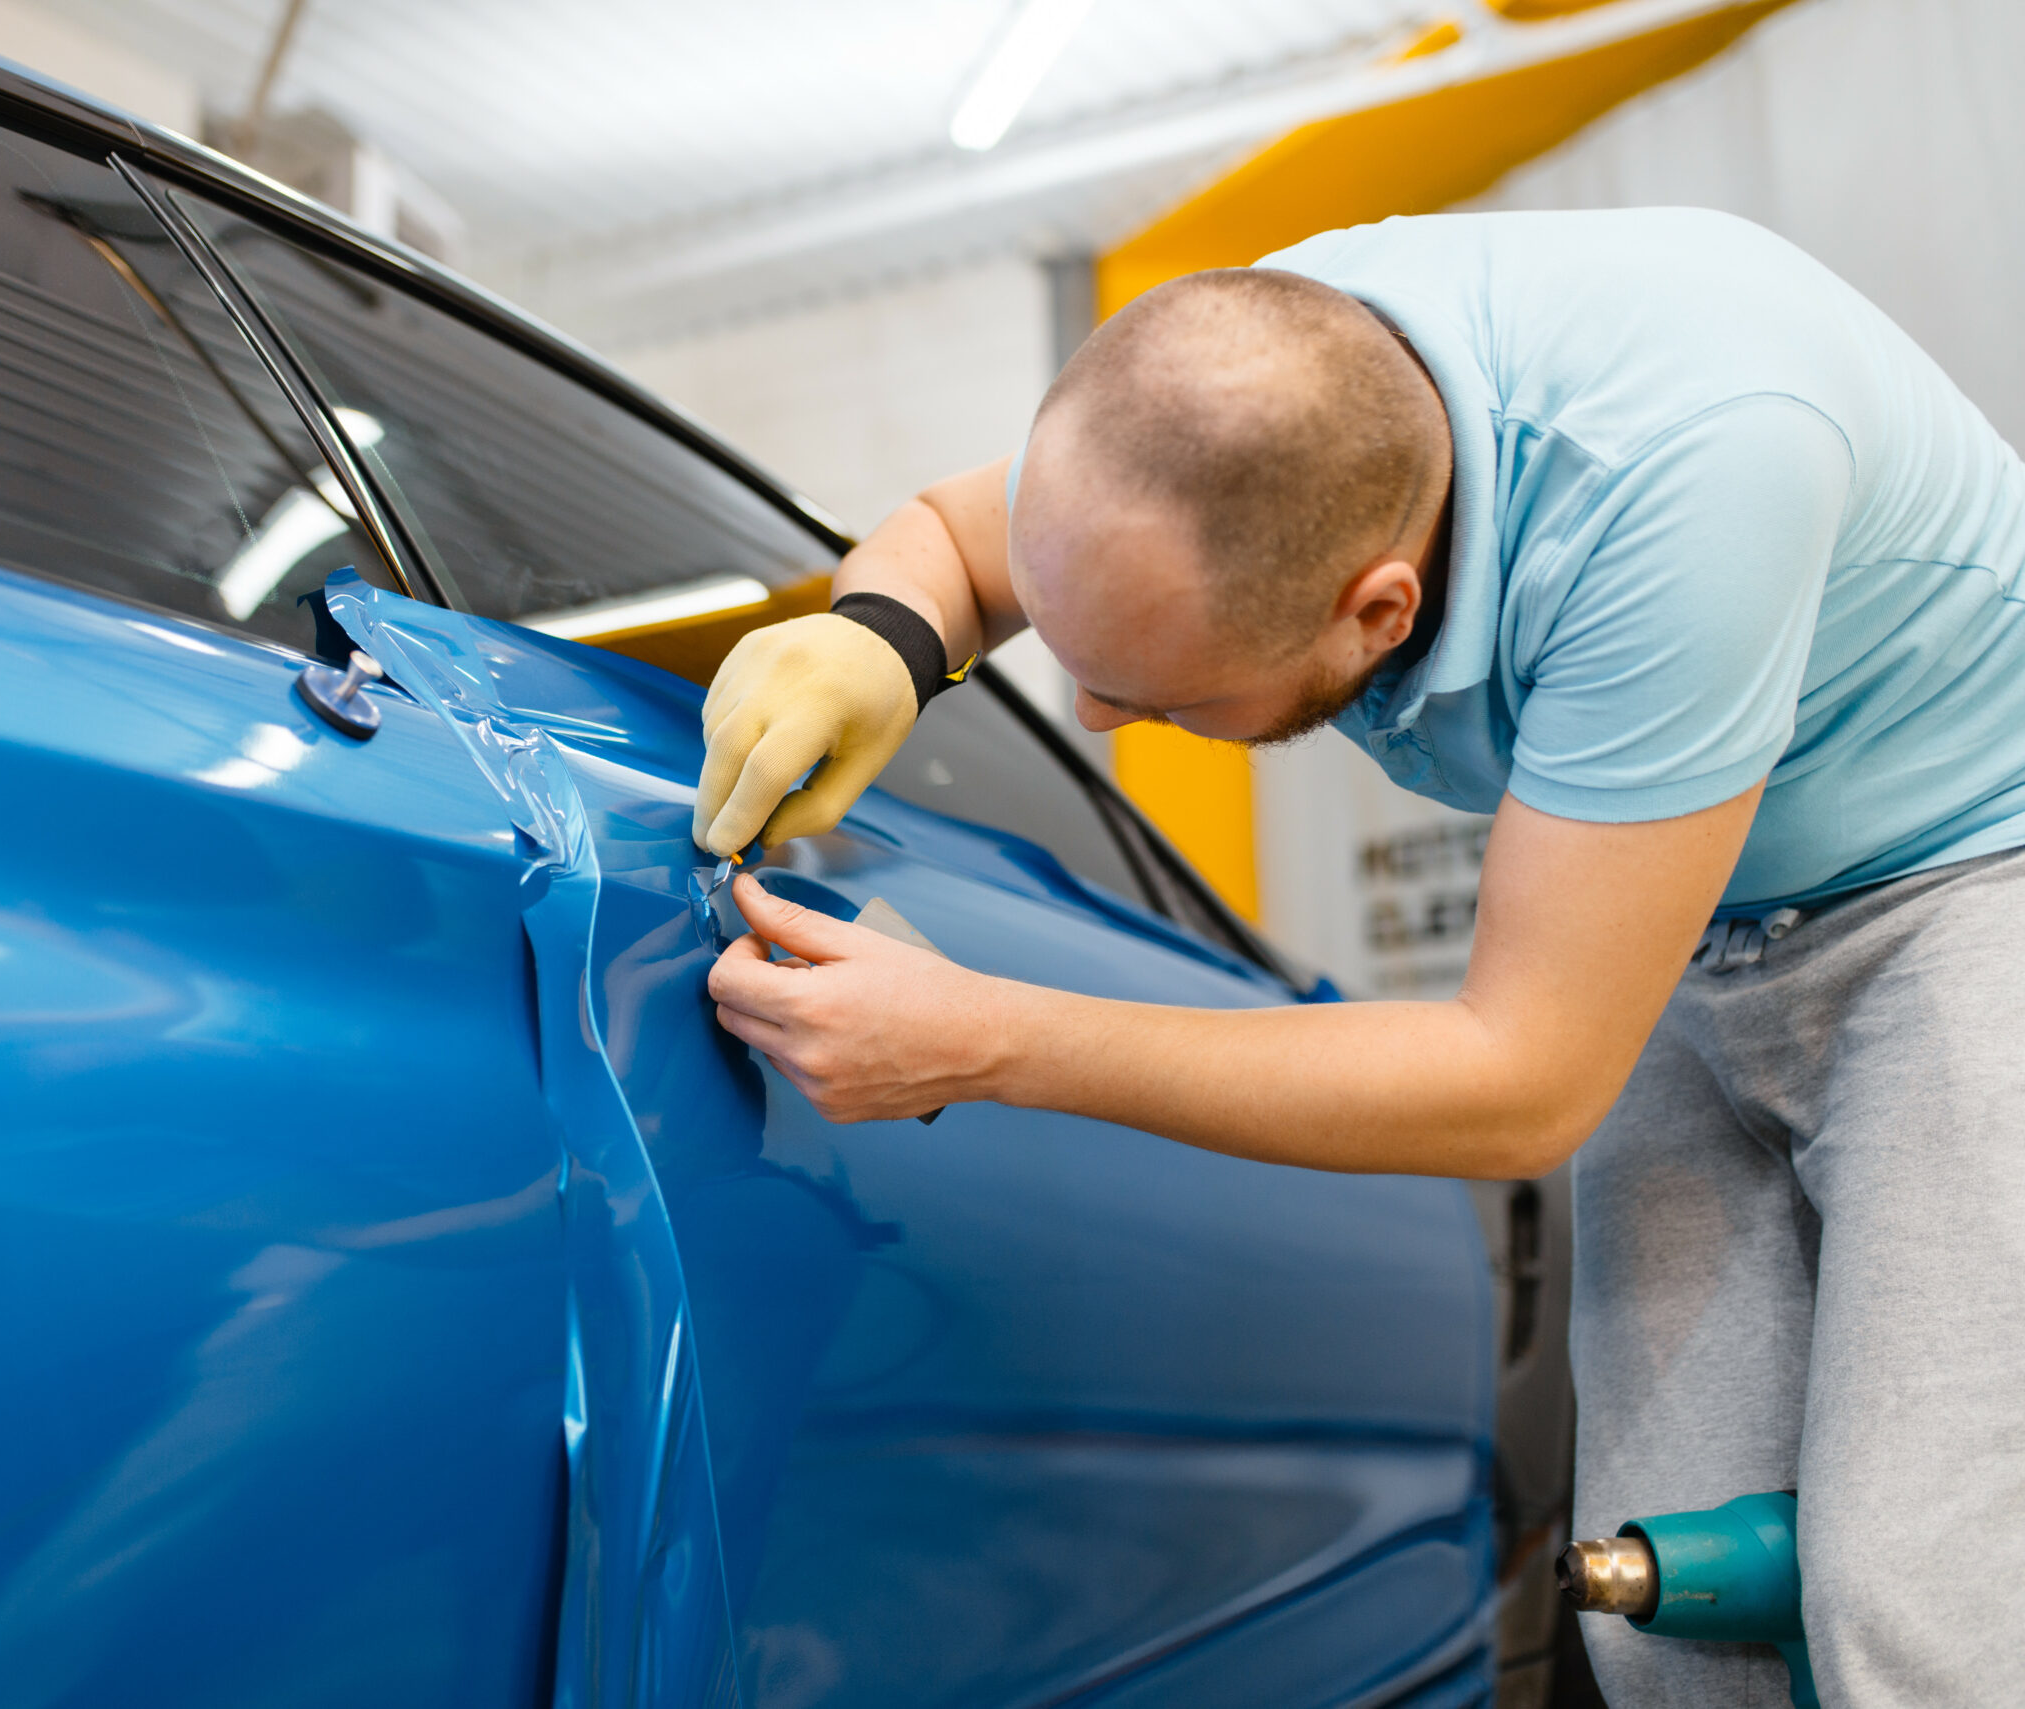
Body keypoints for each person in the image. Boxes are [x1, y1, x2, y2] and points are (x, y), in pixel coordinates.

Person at [692, 207, 2025, 1708]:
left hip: (1974, 887)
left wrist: (992, 1038)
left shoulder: (1689, 486)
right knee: (1672, 1610)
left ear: (1377, 606)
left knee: (1917, 1599)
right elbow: (954, 536)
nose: (1092, 717)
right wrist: (881, 631)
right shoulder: (1231, 403)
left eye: (1155, 694)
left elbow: (1517, 1083)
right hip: (1695, 905)